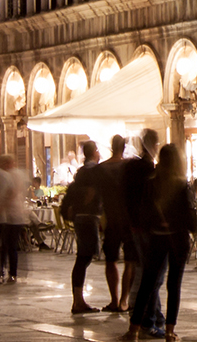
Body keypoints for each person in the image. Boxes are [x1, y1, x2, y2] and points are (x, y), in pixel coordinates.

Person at [126, 144, 196, 342]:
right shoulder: (183, 184)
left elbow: (143, 213)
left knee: (147, 284)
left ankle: (134, 329)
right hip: (177, 239)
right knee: (174, 285)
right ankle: (169, 330)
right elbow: (191, 220)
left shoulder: (150, 183)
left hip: (156, 237)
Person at [121, 129, 162, 331]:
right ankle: (148, 316)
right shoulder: (148, 170)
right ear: (153, 145)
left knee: (145, 271)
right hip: (147, 226)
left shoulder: (131, 168)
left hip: (134, 224)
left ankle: (153, 313)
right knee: (152, 274)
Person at [61, 139, 106, 314]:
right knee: (83, 258)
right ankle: (78, 301)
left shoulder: (81, 172)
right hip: (88, 217)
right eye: (97, 150)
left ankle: (78, 300)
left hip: (81, 217)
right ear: (94, 152)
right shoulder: (93, 171)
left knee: (84, 258)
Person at [94, 134, 133, 313]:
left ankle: (114, 299)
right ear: (124, 147)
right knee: (130, 260)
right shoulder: (128, 167)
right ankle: (124, 299)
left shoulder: (101, 169)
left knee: (111, 260)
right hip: (128, 218)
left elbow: (97, 195)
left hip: (110, 218)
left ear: (111, 146)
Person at [0, 153, 28, 284]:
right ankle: (10, 273)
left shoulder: (6, 175)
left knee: (5, 246)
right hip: (11, 216)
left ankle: (4, 273)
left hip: (9, 215)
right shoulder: (8, 175)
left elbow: (12, 192)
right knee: (9, 246)